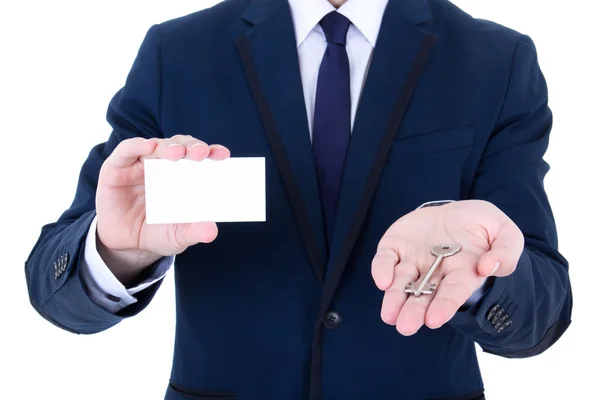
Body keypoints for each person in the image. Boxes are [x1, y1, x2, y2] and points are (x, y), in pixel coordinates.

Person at [24, 0, 573, 399]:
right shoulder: (178, 53)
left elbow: (543, 312)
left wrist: (477, 274)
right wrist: (115, 252)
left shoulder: (497, 61)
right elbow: (54, 290)